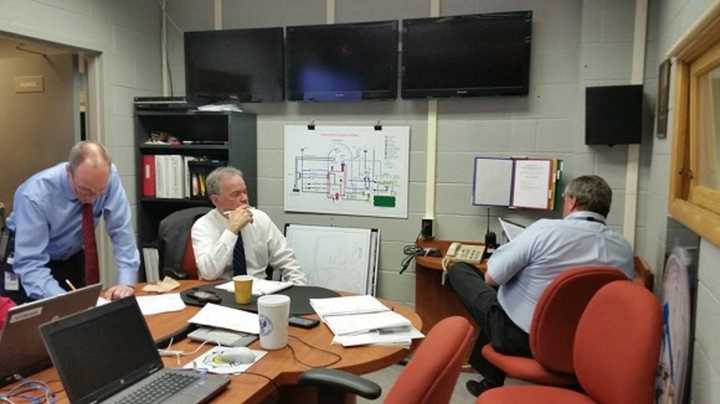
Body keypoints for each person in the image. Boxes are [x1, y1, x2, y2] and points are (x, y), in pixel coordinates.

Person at [448, 175, 634, 397]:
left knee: (461, 271)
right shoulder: (623, 248)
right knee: (505, 296)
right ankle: (490, 381)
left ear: (572, 201)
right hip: (586, 346)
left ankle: (490, 381)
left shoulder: (545, 230)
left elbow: (491, 276)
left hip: (522, 339)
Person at [5, 141, 139, 301]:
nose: (94, 197)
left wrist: (126, 282)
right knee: (39, 321)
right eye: (85, 190)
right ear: (69, 171)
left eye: (100, 191)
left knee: (82, 315)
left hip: (72, 255)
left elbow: (121, 230)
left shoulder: (107, 177)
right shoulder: (35, 195)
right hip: (28, 260)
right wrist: (65, 302)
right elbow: (31, 264)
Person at [191, 167, 306, 284]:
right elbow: (208, 273)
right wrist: (232, 230)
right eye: (236, 194)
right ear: (215, 200)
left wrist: (300, 289)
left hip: (258, 289)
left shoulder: (260, 218)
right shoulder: (203, 226)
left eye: (244, 192)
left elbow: (287, 260)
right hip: (220, 292)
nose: (244, 198)